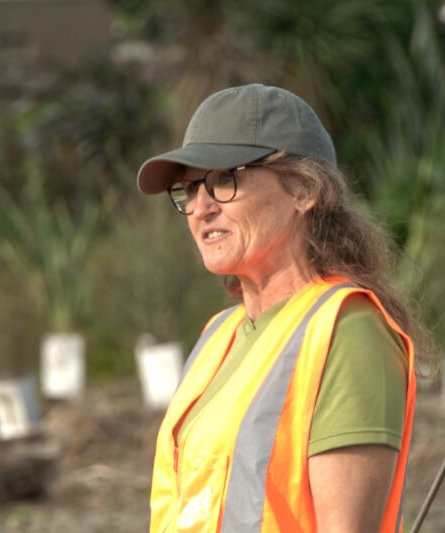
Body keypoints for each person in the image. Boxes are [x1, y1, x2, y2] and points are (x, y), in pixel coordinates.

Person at [136, 83, 420, 533]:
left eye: (225, 180)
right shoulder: (218, 335)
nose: (200, 208)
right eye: (188, 190)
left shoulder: (347, 330)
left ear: (304, 190)